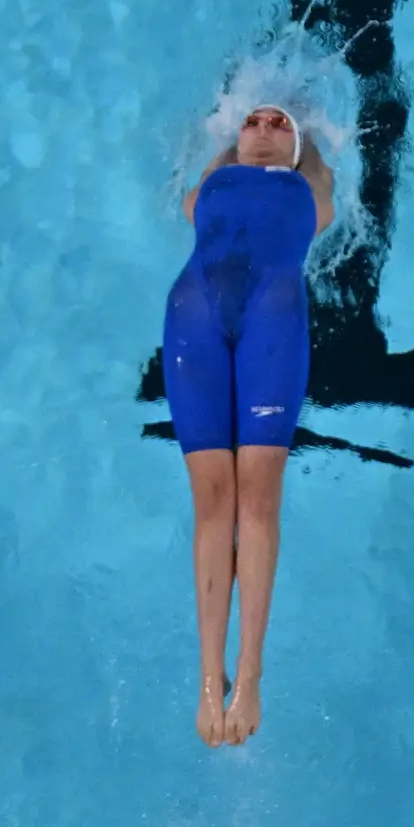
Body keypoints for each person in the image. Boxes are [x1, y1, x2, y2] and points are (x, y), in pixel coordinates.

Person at [163, 101, 334, 746]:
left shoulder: (309, 190)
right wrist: (226, 131)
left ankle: (250, 672)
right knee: (213, 502)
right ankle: (209, 679)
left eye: (279, 124)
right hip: (193, 317)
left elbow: (325, 174)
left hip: (274, 316)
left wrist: (310, 132)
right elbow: (199, 181)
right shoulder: (208, 187)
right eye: (254, 123)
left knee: (257, 497)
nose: (264, 130)